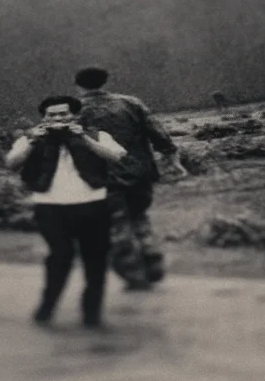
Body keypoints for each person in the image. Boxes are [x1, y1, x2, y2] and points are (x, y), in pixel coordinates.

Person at [5, 95, 127, 329]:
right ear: (44, 118)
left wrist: (82, 138)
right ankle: (47, 307)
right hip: (50, 205)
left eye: (63, 114)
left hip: (92, 203)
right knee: (59, 256)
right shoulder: (31, 137)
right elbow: (11, 163)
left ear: (74, 115)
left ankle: (91, 313)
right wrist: (32, 141)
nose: (58, 119)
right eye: (52, 115)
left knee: (96, 258)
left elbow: (117, 156)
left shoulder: (94, 134)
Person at [75, 67, 188, 291]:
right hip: (140, 173)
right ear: (105, 81)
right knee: (139, 217)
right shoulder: (130, 103)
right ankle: (152, 259)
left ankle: (133, 272)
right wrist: (173, 159)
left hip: (102, 177)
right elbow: (158, 133)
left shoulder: (75, 110)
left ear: (78, 85)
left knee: (115, 224)